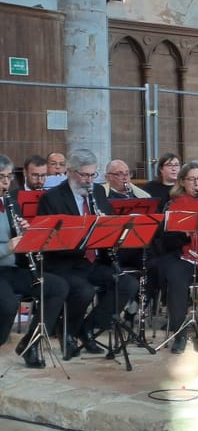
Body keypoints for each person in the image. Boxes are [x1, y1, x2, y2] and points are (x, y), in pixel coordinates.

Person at [37, 148, 139, 358]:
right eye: (84, 175)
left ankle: (88, 328)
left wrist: (106, 227)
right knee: (84, 291)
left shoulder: (99, 192)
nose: (89, 180)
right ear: (70, 172)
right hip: (63, 263)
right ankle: (69, 333)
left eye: (93, 175)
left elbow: (110, 226)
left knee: (127, 284)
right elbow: (48, 240)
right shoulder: (52, 198)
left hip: (92, 261)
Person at [0, 153, 69, 368]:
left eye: (9, 176)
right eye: (1, 177)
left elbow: (18, 244)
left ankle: (31, 343)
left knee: (57, 287)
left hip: (11, 269)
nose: (6, 182)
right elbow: (9, 245)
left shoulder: (10, 201)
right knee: (8, 304)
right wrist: (7, 247)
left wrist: (28, 236)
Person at [156, 161, 198, 354]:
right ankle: (180, 333)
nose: (196, 184)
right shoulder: (172, 204)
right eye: (192, 179)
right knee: (176, 281)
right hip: (181, 256)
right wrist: (180, 234)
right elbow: (162, 242)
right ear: (182, 182)